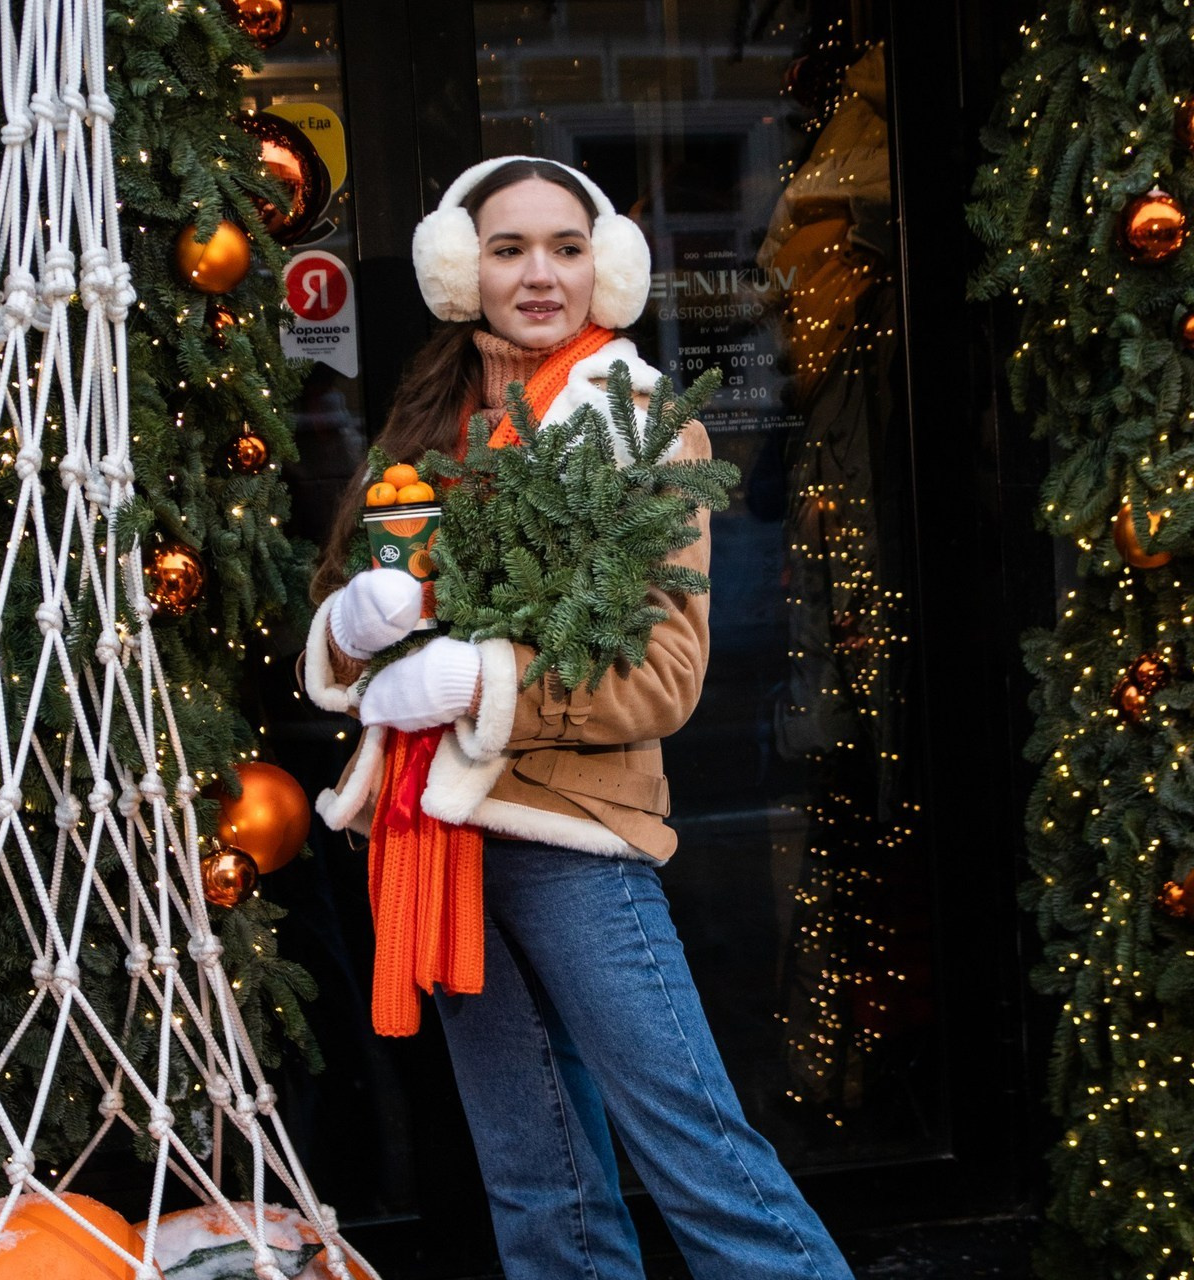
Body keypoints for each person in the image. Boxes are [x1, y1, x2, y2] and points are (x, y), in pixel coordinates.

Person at [303, 155, 855, 1280]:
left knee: (703, 1158)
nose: (539, 274)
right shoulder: (428, 414)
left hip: (571, 840)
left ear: (605, 265)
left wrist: (475, 680)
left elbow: (664, 674)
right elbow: (353, 609)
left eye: (565, 247)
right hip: (435, 835)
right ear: (460, 268)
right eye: (507, 248)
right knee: (537, 1183)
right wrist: (354, 626)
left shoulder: (638, 424)